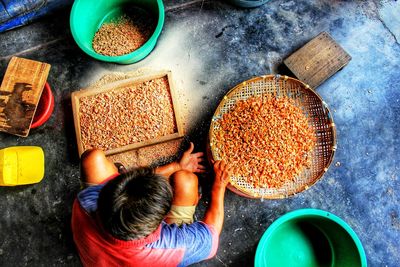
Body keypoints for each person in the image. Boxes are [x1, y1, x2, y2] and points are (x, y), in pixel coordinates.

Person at [71, 142, 231, 267]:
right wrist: (219, 186)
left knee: (93, 158)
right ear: (156, 226)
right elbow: (211, 237)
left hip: (96, 252)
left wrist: (177, 166)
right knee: (186, 181)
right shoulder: (165, 248)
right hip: (140, 258)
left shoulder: (87, 202)